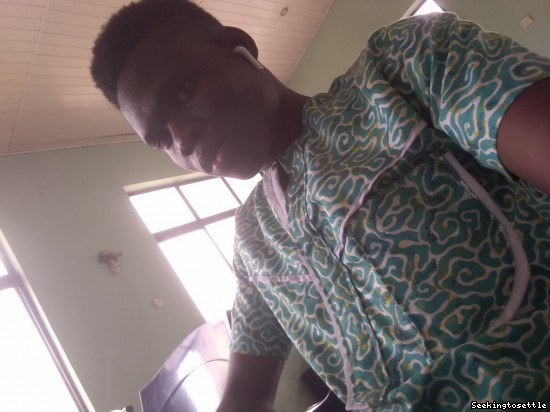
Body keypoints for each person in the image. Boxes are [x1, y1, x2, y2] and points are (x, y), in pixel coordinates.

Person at [91, 0, 550, 410]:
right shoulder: (254, 238)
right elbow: (245, 396)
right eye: (161, 138)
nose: (182, 138)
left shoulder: (399, 70)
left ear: (238, 47)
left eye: (183, 91)